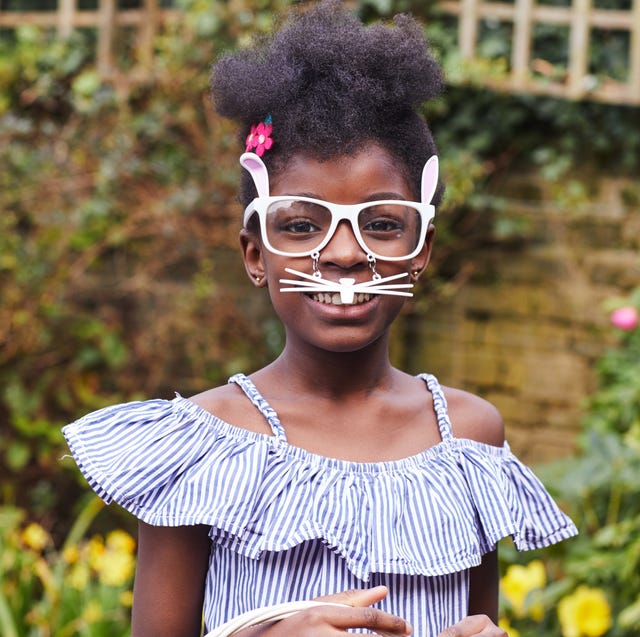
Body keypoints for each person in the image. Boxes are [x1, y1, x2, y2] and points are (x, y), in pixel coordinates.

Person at [62, 2, 577, 636]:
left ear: (423, 250)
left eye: (382, 224)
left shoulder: (468, 439)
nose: (342, 254)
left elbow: (477, 621)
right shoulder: (200, 447)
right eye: (302, 226)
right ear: (256, 253)